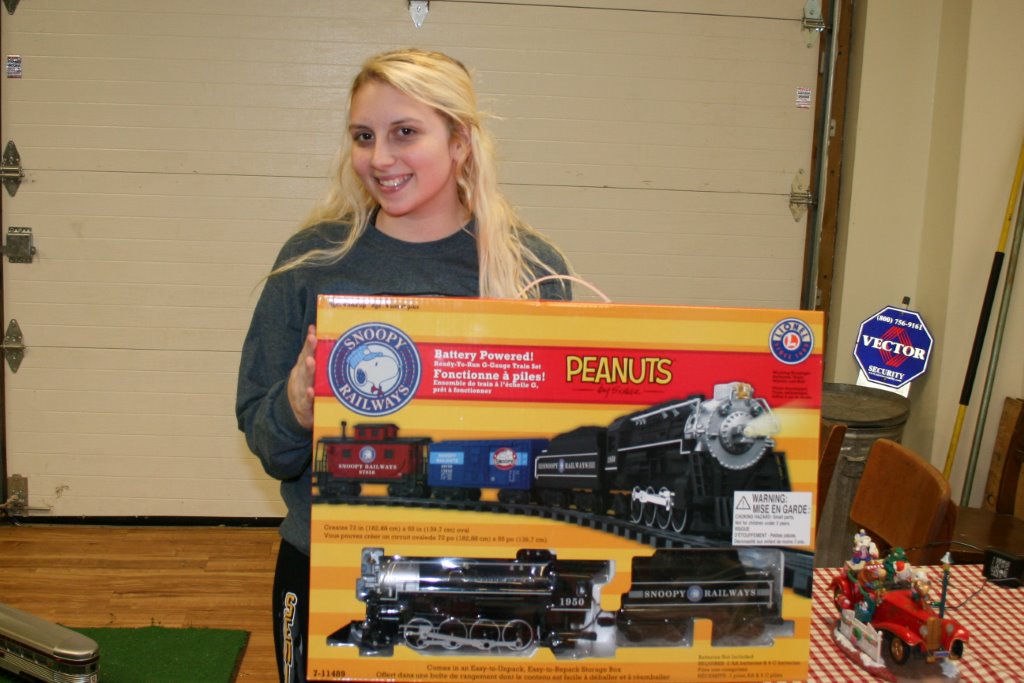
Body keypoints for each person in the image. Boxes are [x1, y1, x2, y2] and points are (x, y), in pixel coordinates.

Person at [235, 48, 573, 683]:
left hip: (483, 574)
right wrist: (296, 404)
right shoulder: (312, 262)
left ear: (460, 141)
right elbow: (270, 446)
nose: (380, 158)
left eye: (405, 132)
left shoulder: (532, 270)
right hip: (329, 566)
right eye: (363, 136)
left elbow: (554, 452)